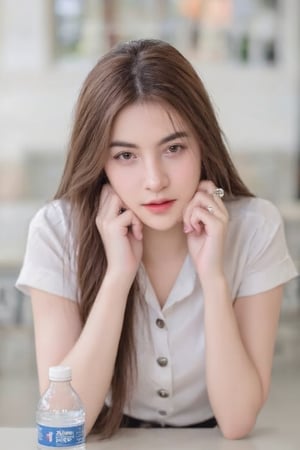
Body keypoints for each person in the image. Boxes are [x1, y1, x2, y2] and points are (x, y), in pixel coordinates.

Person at [16, 39, 297, 440]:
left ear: (204, 143)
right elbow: (65, 421)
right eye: (125, 156)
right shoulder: (57, 230)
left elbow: (237, 422)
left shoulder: (255, 227)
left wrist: (213, 278)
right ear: (99, 162)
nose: (154, 181)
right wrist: (118, 276)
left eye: (174, 148)